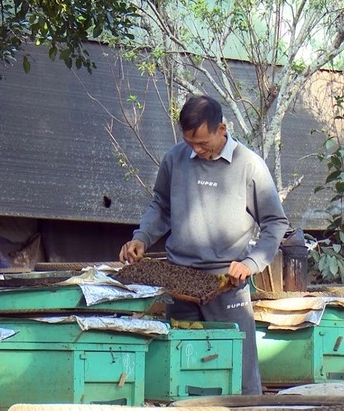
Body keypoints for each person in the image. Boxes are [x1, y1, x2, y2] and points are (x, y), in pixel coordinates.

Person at [118, 95, 289, 395]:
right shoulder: (174, 159)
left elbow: (276, 223)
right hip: (179, 286)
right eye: (189, 142)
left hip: (228, 285)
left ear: (222, 129)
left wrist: (250, 264)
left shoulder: (250, 166)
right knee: (180, 379)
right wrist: (141, 237)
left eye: (201, 142)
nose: (195, 150)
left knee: (241, 381)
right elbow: (161, 206)